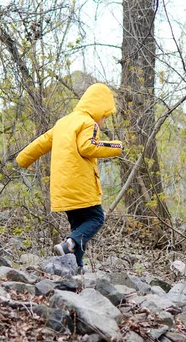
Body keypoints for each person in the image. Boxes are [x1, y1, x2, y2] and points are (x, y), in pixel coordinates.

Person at [16, 83, 123, 272]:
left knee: (80, 228)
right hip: (81, 186)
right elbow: (87, 147)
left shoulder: (63, 122)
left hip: (63, 189)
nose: (104, 120)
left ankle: (77, 267)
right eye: (105, 116)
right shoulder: (88, 123)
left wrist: (22, 159)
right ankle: (70, 243)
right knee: (96, 219)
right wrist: (116, 146)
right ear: (98, 109)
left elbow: (41, 143)